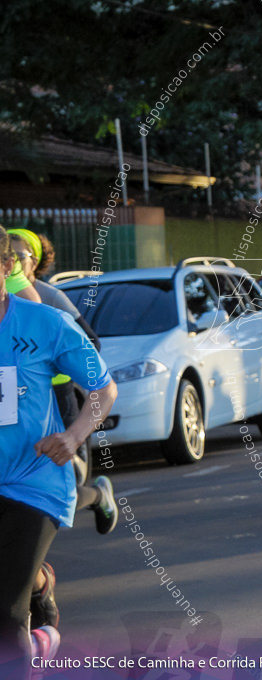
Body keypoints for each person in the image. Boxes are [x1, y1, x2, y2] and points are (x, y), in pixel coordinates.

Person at [0, 226, 118, 679]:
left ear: (7, 267)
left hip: (35, 481)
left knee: (5, 609)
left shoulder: (44, 322)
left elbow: (103, 389)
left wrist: (73, 437)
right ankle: (42, 618)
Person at [8, 229, 118, 529]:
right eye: (13, 252)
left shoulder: (47, 299)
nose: (17, 260)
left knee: (66, 471)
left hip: (56, 393)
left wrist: (50, 367)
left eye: (21, 255)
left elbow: (90, 345)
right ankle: (38, 574)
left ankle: (95, 495)